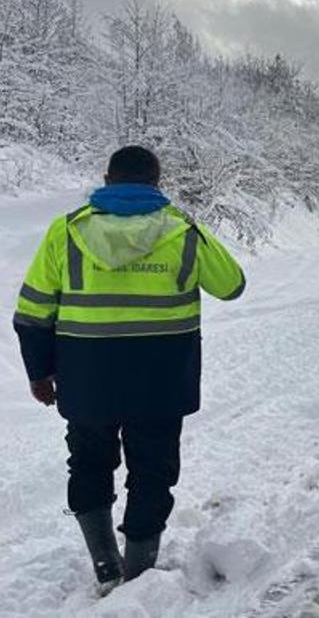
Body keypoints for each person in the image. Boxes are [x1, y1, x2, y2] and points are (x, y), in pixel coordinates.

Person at [12, 146, 245, 590]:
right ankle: (138, 570)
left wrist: (39, 374)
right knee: (153, 470)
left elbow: (32, 313)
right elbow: (232, 285)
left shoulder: (65, 232)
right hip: (161, 382)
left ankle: (104, 561)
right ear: (157, 184)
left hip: (86, 380)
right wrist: (192, 229)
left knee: (87, 463)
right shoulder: (182, 231)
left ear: (106, 179)